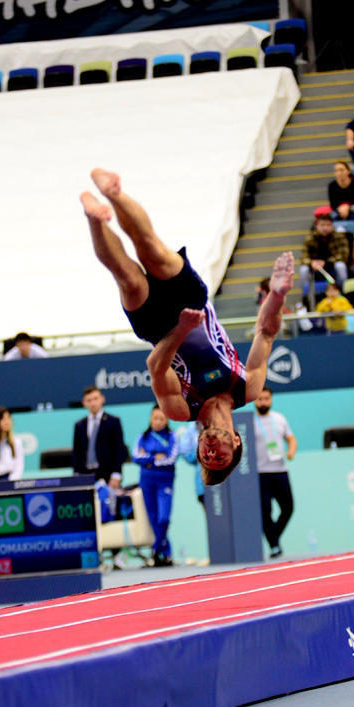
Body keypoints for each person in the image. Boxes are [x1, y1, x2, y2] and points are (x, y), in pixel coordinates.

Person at [80, 168, 293, 487]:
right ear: (235, 442)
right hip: (193, 302)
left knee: (127, 276)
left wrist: (179, 332)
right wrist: (276, 295)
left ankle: (95, 219)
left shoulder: (182, 410)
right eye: (219, 457)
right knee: (150, 248)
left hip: (157, 328)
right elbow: (266, 332)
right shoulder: (248, 389)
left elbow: (155, 366)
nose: (210, 453)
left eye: (205, 457)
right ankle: (113, 193)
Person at [132, 405, 179, 567]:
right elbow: (136, 457)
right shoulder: (142, 437)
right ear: (150, 419)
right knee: (153, 518)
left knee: (163, 518)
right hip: (147, 481)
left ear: (166, 420)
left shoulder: (172, 437)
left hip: (165, 481)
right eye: (155, 418)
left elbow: (171, 459)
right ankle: (165, 554)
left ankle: (155, 548)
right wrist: (155, 458)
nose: (157, 422)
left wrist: (148, 459)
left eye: (161, 418)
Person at [253, 387, 296, 558]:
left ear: (271, 399)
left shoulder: (279, 418)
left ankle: (273, 538)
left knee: (288, 507)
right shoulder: (250, 421)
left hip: (280, 470)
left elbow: (291, 438)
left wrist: (291, 451)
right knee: (265, 512)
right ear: (255, 400)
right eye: (260, 399)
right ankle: (274, 545)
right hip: (260, 473)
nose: (263, 402)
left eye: (266, 399)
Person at [72, 385, 127, 488]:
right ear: (84, 403)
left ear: (102, 399)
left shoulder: (113, 422)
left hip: (108, 474)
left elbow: (119, 450)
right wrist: (76, 475)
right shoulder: (79, 425)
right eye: (89, 400)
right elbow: (76, 452)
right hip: (86, 474)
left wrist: (116, 474)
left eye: (95, 399)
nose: (93, 403)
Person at [300, 213, 350, 295]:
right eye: (322, 225)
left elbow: (343, 255)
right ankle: (306, 297)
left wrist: (326, 262)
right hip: (316, 269)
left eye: (328, 225)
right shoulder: (309, 238)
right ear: (317, 226)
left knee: (341, 266)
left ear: (332, 226)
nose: (325, 228)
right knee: (303, 270)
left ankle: (342, 293)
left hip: (332, 267)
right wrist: (312, 263)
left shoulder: (339, 237)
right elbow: (304, 257)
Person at [327, 160, 354, 230]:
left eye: (341, 170)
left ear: (348, 171)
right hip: (340, 209)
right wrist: (340, 209)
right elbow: (333, 204)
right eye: (336, 171)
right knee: (328, 219)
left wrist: (347, 207)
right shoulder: (332, 186)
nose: (339, 173)